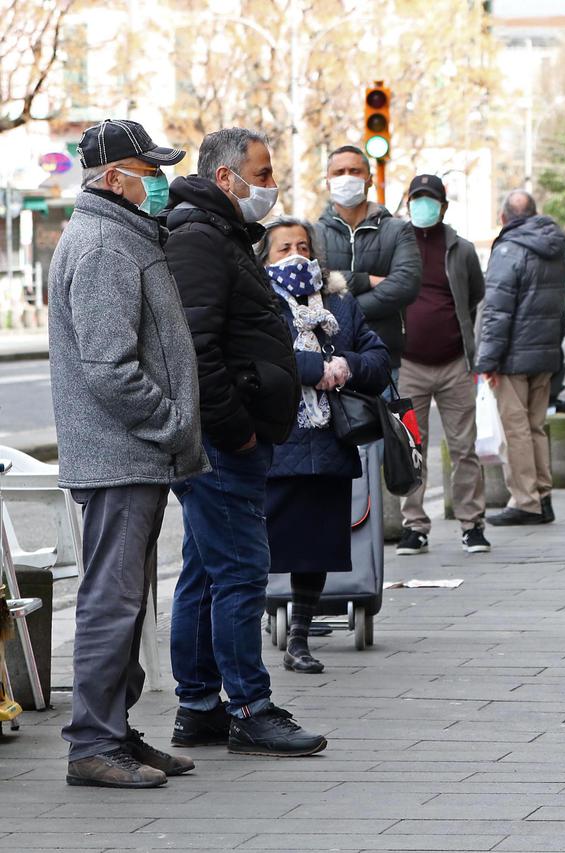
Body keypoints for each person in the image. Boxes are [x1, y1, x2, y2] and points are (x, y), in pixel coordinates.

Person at [49, 119, 204, 789]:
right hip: (123, 453)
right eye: (152, 170)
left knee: (124, 599)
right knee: (112, 600)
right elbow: (111, 367)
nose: (162, 181)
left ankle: (113, 729)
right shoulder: (107, 243)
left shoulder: (121, 233)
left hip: (131, 454)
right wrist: (171, 424)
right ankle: (94, 741)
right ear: (116, 178)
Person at [163, 128, 327, 757]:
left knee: (206, 571)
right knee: (239, 572)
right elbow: (196, 349)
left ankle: (200, 706)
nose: (271, 183)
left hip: (225, 438)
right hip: (223, 441)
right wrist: (239, 428)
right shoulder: (202, 239)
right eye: (261, 173)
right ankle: (250, 707)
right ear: (227, 179)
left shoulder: (216, 234)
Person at [256, 218, 389, 674]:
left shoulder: (341, 305)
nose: (295, 254)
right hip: (278, 443)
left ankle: (299, 638)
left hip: (331, 444)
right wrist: (314, 368)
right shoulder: (257, 302)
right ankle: (245, 631)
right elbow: (260, 359)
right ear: (265, 258)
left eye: (302, 246)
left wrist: (343, 365)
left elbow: (378, 360)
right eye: (282, 248)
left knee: (314, 549)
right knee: (262, 546)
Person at [395, 174, 490, 556]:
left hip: (455, 363)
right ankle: (414, 526)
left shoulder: (461, 249)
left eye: (430, 200)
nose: (423, 206)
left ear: (444, 206)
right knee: (411, 447)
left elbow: (474, 298)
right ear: (408, 203)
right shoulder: (396, 244)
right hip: (408, 364)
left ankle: (473, 524)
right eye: (417, 199)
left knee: (464, 447)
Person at [475, 190, 565, 526]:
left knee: (515, 430)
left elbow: (497, 311)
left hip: (513, 356)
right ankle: (542, 496)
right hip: (545, 352)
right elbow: (560, 309)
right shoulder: (557, 249)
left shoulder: (508, 249)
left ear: (504, 217)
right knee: (535, 427)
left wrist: (487, 360)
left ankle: (525, 500)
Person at [317, 146, 421, 370]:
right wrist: (367, 280)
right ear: (327, 181)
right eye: (339, 172)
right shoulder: (313, 234)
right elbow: (315, 284)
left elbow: (405, 285)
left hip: (383, 357)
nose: (347, 177)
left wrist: (343, 309)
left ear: (369, 179)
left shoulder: (397, 230)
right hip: (329, 361)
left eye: (354, 171)